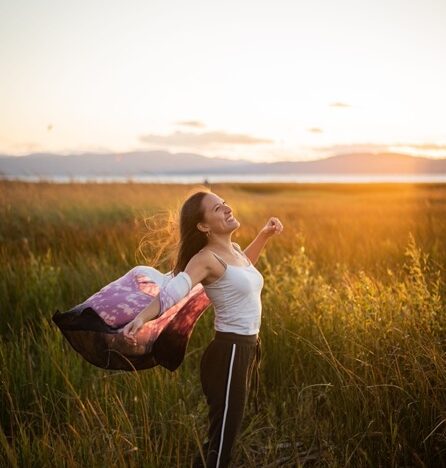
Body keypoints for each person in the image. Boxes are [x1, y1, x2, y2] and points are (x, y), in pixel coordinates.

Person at [123, 189, 283, 467]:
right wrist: (142, 317)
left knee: (222, 435)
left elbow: (244, 270)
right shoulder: (205, 259)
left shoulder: (232, 251)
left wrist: (263, 236)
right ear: (203, 226)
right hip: (230, 351)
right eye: (217, 208)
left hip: (245, 349)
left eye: (224, 203)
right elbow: (174, 292)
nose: (227, 208)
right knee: (223, 442)